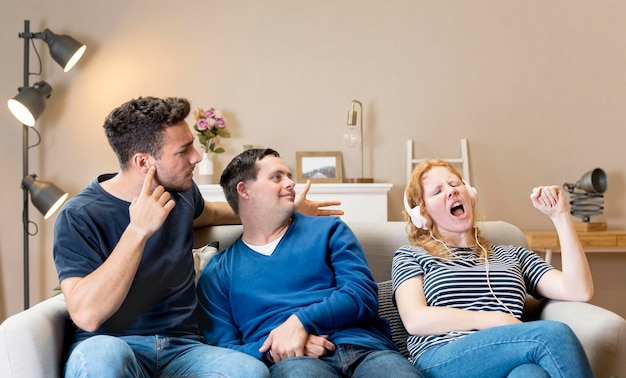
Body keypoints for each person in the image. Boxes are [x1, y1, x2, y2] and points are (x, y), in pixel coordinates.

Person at [53, 97, 342, 377]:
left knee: (247, 371)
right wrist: (137, 231)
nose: (197, 157)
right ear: (143, 162)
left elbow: (215, 214)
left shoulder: (182, 195)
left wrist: (283, 207)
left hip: (184, 351)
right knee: (102, 357)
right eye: (184, 151)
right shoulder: (80, 215)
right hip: (115, 347)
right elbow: (86, 314)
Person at [196, 148, 422, 378]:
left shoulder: (329, 229)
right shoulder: (218, 272)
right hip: (295, 364)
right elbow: (223, 350)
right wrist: (277, 348)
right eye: (277, 177)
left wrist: (301, 321)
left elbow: (361, 295)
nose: (291, 183)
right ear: (244, 191)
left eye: (289, 175)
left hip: (365, 349)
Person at [392, 158, 594, 377]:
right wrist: (496, 320)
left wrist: (561, 217)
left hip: (509, 351)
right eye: (437, 191)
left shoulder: (512, 254)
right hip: (442, 356)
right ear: (422, 214)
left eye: (454, 184)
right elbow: (415, 319)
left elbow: (578, 290)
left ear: (471, 195)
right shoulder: (411, 255)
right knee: (555, 334)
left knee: (530, 374)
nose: (451, 192)